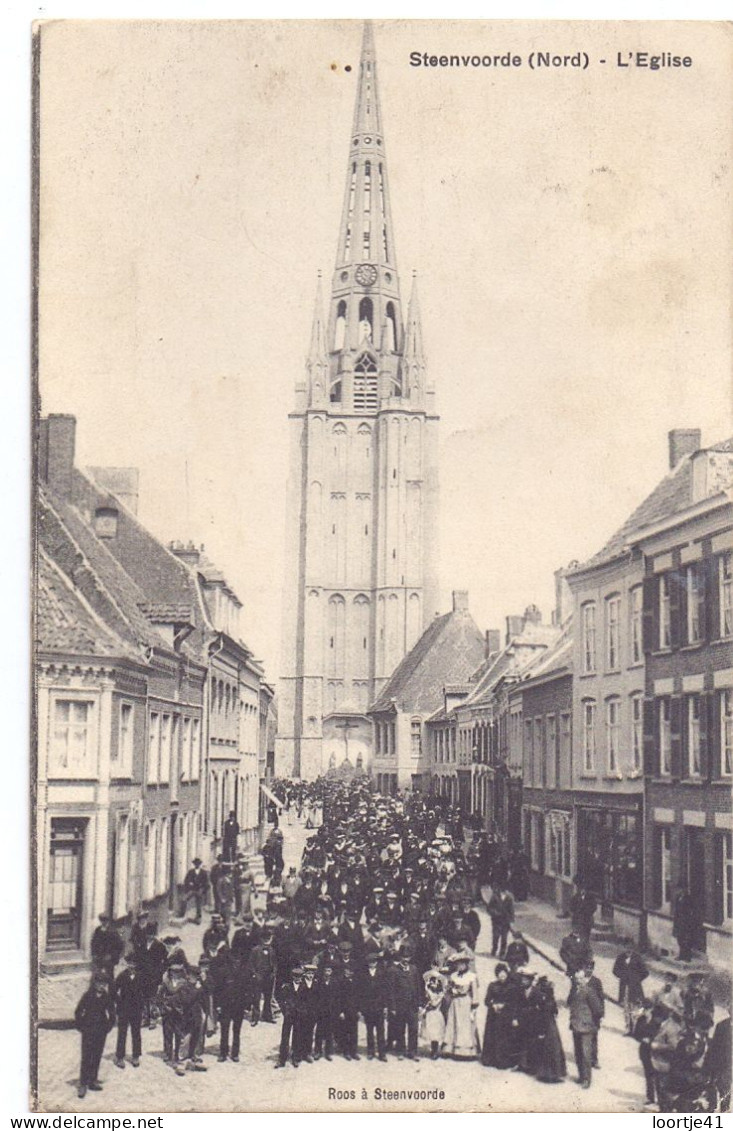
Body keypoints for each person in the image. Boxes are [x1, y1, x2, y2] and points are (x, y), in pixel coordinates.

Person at [74, 975, 116, 1099]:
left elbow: (112, 1015)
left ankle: (92, 1081)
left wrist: (107, 1028)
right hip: (88, 1031)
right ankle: (83, 1084)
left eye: (104, 984)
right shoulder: (87, 996)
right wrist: (81, 1026)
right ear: (94, 984)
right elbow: (78, 1011)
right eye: (99, 983)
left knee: (97, 1056)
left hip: (100, 1032)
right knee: (86, 1056)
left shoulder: (107, 997)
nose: (101, 986)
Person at [524, 975, 566, 1083]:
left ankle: (547, 1073)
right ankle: (555, 1072)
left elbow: (543, 1014)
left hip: (545, 1025)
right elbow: (555, 1012)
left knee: (547, 1048)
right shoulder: (550, 1000)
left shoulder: (542, 1000)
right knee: (553, 1048)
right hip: (552, 1026)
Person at [568, 968, 603, 1089]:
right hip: (575, 1025)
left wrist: (592, 1022)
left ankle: (587, 1079)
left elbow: (598, 1010)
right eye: (576, 979)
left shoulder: (590, 992)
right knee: (578, 1053)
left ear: (585, 979)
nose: (578, 981)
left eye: (581, 979)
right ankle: (581, 1076)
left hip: (587, 1027)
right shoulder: (574, 991)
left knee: (586, 1054)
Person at [387, 942, 421, 1061]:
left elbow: (418, 987)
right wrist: (392, 1007)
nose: (406, 959)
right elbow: (390, 990)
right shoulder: (393, 970)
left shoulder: (414, 969)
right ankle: (400, 1051)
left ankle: (412, 1052)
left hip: (412, 1005)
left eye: (408, 957)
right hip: (400, 1005)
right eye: (404, 957)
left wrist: (419, 1004)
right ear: (400, 957)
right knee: (399, 1029)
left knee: (413, 1029)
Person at [443, 952, 480, 1060]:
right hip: (455, 1003)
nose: (460, 966)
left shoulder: (472, 977)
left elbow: (475, 993)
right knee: (453, 1023)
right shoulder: (453, 976)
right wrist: (451, 991)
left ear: (466, 965)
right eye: (458, 964)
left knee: (464, 1025)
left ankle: (465, 1051)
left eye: (462, 964)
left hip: (465, 1003)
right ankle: (450, 1049)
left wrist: (473, 1007)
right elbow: (448, 989)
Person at [113, 952, 144, 1069]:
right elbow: (113, 990)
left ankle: (135, 1055)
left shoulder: (141, 976)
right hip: (124, 1009)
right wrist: (119, 1002)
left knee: (136, 1032)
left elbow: (144, 993)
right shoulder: (122, 976)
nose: (132, 966)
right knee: (122, 1033)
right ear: (127, 964)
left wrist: (142, 1005)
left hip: (136, 1009)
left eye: (134, 964)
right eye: (129, 963)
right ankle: (119, 1057)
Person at [359, 949, 389, 1061]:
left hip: (379, 1006)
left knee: (381, 1031)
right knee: (369, 1031)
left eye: (374, 961)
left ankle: (382, 1053)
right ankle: (370, 1052)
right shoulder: (363, 974)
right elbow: (361, 993)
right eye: (370, 962)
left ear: (377, 962)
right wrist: (362, 1008)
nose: (372, 963)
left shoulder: (382, 973)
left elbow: (385, 991)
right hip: (368, 1007)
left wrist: (385, 1006)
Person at [613, 948, 649, 1035]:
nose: (628, 950)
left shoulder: (637, 958)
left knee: (636, 1008)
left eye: (630, 948)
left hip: (635, 988)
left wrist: (636, 979)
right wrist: (622, 976)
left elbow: (645, 972)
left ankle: (636, 1030)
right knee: (626, 1008)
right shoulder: (620, 957)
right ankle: (628, 1028)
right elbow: (615, 970)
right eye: (626, 947)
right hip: (625, 987)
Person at [704, 1009, 731, 1112]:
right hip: (722, 1062)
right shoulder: (722, 1025)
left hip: (728, 1063)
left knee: (725, 1087)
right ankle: (713, 1107)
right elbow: (714, 1045)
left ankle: (725, 1110)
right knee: (719, 1085)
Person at [90, 913, 124, 989]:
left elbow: (119, 945)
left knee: (109, 977)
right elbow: (93, 943)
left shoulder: (113, 931)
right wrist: (94, 954)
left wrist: (111, 955)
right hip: (99, 957)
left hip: (108, 958)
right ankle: (96, 993)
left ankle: (111, 994)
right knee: (96, 976)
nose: (103, 922)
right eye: (102, 920)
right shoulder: (98, 930)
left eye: (105, 920)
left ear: (108, 921)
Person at [420, 968, 447, 1060]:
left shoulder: (441, 993)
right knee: (430, 1033)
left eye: (436, 982)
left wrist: (430, 1003)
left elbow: (435, 1003)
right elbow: (425, 1000)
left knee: (436, 1033)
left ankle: (435, 1050)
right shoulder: (428, 992)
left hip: (436, 1014)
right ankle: (432, 1049)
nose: (434, 984)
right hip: (429, 1015)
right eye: (432, 981)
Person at [486, 885, 514, 959]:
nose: (505, 892)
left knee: (504, 938)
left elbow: (512, 910)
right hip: (496, 921)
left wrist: (511, 921)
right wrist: (495, 913)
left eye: (506, 891)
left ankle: (502, 952)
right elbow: (489, 908)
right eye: (503, 890)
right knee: (496, 936)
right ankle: (494, 948)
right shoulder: (495, 897)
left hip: (505, 921)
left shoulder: (509, 898)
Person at [672, 887, 699, 962]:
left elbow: (692, 910)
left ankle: (687, 957)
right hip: (679, 921)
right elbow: (676, 911)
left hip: (686, 922)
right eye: (680, 889)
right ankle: (681, 955)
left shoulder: (688, 899)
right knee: (679, 939)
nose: (681, 891)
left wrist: (689, 920)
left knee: (686, 939)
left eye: (682, 889)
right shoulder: (678, 898)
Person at [180, 858, 208, 924]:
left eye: (198, 864)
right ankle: (182, 914)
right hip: (192, 889)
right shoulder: (191, 872)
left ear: (200, 864)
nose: (197, 865)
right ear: (194, 864)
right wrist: (189, 883)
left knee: (198, 905)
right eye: (195, 864)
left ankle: (198, 918)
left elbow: (206, 883)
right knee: (184, 899)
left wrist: (203, 890)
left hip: (199, 890)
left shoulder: (203, 872)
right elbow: (186, 880)